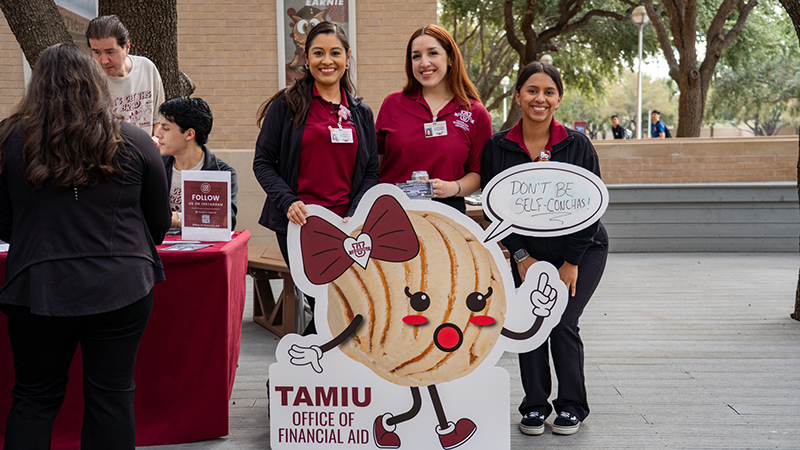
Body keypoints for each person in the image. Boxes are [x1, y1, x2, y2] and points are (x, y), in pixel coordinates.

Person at [0, 43, 170, 449]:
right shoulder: (134, 140)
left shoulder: (9, 141)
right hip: (122, 284)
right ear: (96, 84)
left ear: (37, 84)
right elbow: (158, 227)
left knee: (35, 397)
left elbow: (4, 223)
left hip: (39, 284)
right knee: (111, 397)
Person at [481, 61, 609, 437]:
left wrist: (571, 263)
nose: (540, 98)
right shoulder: (498, 147)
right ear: (518, 94)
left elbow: (590, 209)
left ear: (559, 98)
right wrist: (521, 257)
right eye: (532, 90)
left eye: (548, 92)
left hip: (583, 249)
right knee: (529, 321)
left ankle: (571, 406)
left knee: (563, 322)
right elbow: (494, 210)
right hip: (528, 254)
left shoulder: (576, 144)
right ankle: (534, 406)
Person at [253, 21, 379, 335]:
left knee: (346, 304)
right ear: (306, 58)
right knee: (328, 301)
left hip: (346, 227)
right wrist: (287, 201)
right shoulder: (288, 105)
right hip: (299, 225)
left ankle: (307, 373)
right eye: (318, 53)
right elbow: (263, 162)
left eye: (335, 53)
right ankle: (298, 376)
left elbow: (371, 173)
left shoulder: (361, 114)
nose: (327, 60)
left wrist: (356, 212)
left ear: (347, 57)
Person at [376, 24, 492, 214]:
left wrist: (452, 187)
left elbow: (479, 173)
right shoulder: (392, 104)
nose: (424, 63)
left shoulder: (475, 113)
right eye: (416, 56)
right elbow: (374, 167)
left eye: (432, 53)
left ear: (450, 58)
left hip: (447, 215)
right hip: (392, 215)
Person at [156, 96, 239, 230]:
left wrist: (175, 219)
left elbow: (225, 221)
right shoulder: (155, 167)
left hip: (202, 247)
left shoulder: (222, 172)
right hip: (158, 247)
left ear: (189, 134)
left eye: (166, 129)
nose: (158, 133)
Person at [86, 15, 165, 135]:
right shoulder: (90, 80)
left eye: (110, 52)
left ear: (127, 47)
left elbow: (159, 119)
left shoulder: (147, 68)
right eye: (97, 52)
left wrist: (156, 140)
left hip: (145, 151)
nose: (104, 61)